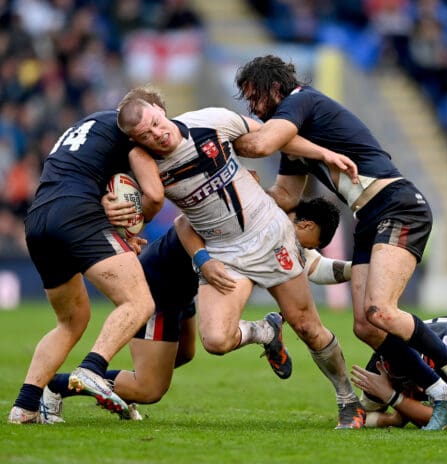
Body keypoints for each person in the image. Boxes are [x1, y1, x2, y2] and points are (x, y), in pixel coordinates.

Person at [233, 54, 447, 430]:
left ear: (275, 89)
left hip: (397, 204)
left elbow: (259, 144)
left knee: (381, 310)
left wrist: (221, 135)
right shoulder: (293, 140)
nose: (252, 108)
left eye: (254, 97)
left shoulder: (301, 100)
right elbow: (285, 196)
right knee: (368, 327)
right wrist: (249, 194)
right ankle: (440, 392)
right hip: (367, 218)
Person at [115, 85, 365, 429]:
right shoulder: (145, 165)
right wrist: (201, 258)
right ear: (137, 140)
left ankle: (347, 400)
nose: (158, 134)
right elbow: (182, 221)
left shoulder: (210, 122)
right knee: (216, 340)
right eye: (146, 134)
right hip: (223, 253)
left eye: (157, 123)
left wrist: (322, 154)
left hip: (268, 234)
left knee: (307, 325)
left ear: (162, 111)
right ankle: (265, 330)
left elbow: (269, 138)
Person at [40, 197, 352, 423]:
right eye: (312, 242)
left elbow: (316, 268)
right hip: (156, 292)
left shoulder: (270, 223)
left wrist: (361, 269)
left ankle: (119, 390)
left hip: (181, 291)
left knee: (185, 354)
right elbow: (182, 221)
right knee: (149, 388)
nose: (307, 250)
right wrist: (202, 258)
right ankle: (55, 387)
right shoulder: (250, 210)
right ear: (307, 224)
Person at [7, 109, 166, 424]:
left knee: (71, 320)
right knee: (139, 302)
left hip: (38, 218)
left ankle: (24, 406)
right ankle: (92, 368)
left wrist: (116, 232)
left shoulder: (83, 127)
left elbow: (90, 178)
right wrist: (135, 222)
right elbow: (155, 196)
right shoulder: (131, 130)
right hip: (77, 213)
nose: (153, 132)